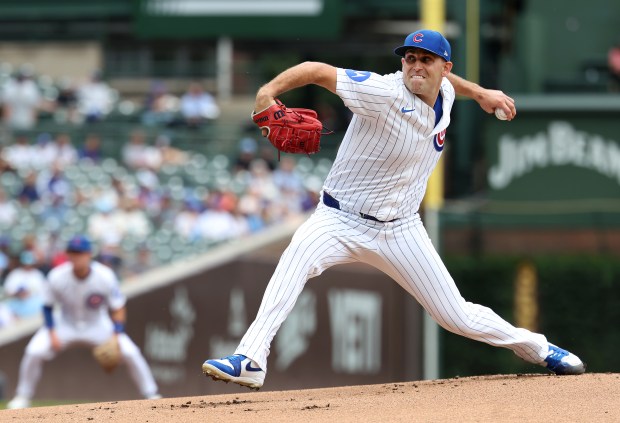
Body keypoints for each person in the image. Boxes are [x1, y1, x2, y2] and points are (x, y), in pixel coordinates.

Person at [201, 29, 585, 390]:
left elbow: (452, 86)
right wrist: (267, 92)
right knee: (295, 260)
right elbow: (315, 71)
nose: (416, 66)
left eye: (427, 60)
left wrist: (482, 92)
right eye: (410, 58)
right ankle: (251, 357)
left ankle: (539, 348)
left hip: (401, 229)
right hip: (339, 219)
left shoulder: (447, 93)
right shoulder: (382, 91)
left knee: (456, 316)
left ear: (444, 68)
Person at [6, 235, 160, 409]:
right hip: (65, 323)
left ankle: (151, 393)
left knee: (131, 352)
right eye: (73, 252)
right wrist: (52, 332)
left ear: (88, 254)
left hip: (97, 324)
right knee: (34, 351)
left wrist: (117, 334)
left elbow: (118, 307)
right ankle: (22, 397)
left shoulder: (104, 275)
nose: (76, 256)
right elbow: (47, 307)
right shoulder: (57, 275)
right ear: (68, 254)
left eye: (80, 252)